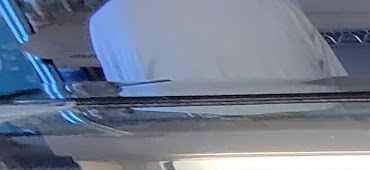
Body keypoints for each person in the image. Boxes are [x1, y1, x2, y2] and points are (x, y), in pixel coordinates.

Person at [89, 0, 348, 87]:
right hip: (308, 135)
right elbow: (339, 85)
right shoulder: (272, 4)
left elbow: (130, 105)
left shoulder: (108, 20)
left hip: (188, 152)